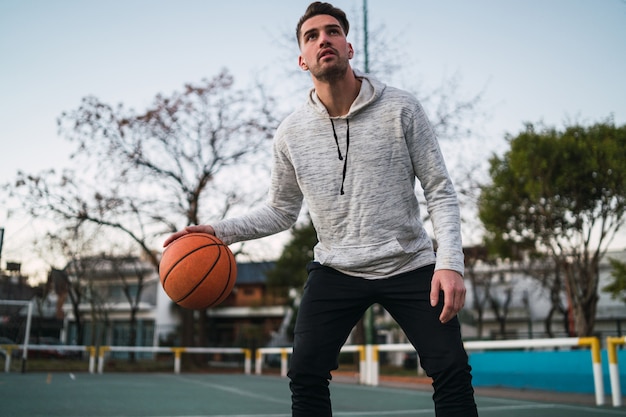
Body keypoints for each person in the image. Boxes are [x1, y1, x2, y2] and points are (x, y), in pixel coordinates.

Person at [164, 2, 478, 416]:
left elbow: (439, 189)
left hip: (409, 262)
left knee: (452, 370)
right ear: (301, 59)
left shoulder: (401, 108)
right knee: (306, 374)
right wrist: (217, 232)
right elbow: (280, 211)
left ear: (348, 47)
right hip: (336, 268)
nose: (323, 40)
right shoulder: (291, 133)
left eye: (332, 32)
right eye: (311, 36)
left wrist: (450, 263)